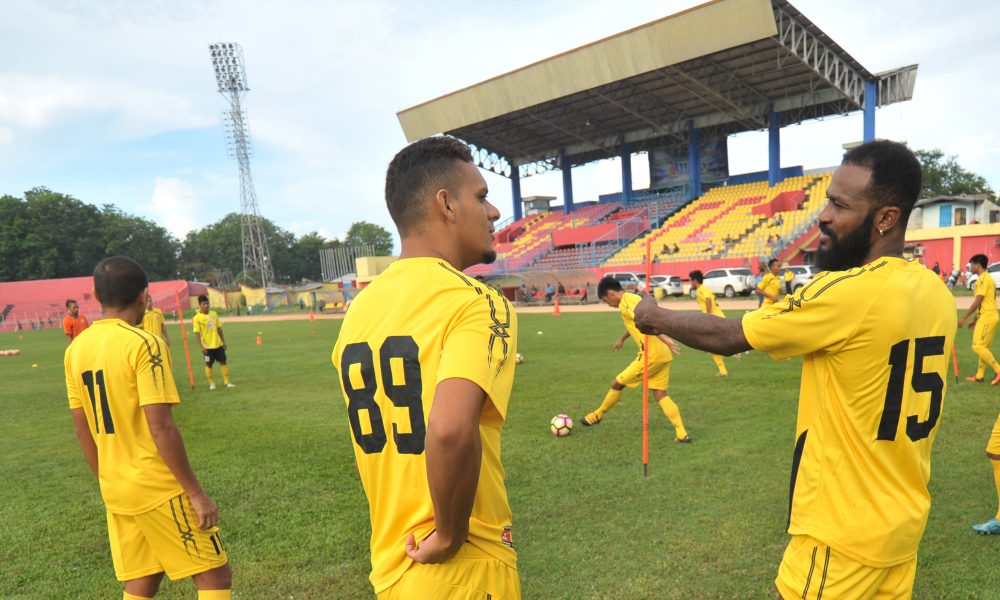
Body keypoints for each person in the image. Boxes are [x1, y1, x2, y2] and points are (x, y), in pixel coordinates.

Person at [632, 140, 955, 598]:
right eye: (826, 199)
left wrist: (655, 317)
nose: (823, 215)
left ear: (886, 218)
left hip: (842, 532)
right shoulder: (934, 291)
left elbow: (730, 337)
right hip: (901, 527)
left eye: (840, 205)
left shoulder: (848, 292)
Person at [332, 136, 520, 599]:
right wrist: (451, 533)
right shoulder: (477, 302)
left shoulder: (359, 309)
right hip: (463, 565)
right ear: (446, 204)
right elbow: (450, 430)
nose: (494, 212)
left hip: (394, 566)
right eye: (481, 197)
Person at [64, 256, 231, 600]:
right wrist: (196, 493)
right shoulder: (143, 344)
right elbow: (162, 427)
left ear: (96, 296)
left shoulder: (76, 350)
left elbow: (82, 429)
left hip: (116, 488)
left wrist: (108, 480)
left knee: (144, 578)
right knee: (215, 575)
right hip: (155, 486)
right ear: (143, 295)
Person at [579, 276, 690, 443]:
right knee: (660, 394)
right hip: (662, 354)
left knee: (617, 383)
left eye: (605, 301)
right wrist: (622, 339)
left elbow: (648, 321)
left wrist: (665, 338)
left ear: (610, 294)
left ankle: (597, 415)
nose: (608, 305)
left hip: (651, 355)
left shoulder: (626, 302)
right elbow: (637, 322)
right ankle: (682, 433)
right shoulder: (631, 299)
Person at [959, 254, 1000, 384]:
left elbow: (979, 300)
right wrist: (975, 319)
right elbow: (985, 301)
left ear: (977, 265)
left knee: (977, 346)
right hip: (987, 316)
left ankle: (998, 370)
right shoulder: (988, 279)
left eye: (971, 264)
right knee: (983, 347)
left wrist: (965, 317)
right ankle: (979, 375)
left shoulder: (983, 279)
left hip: (988, 316)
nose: (970, 267)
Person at [689, 270, 727, 377]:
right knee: (713, 344)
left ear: (695, 280)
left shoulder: (701, 289)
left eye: (690, 280)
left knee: (712, 345)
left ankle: (734, 354)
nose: (690, 282)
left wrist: (708, 316)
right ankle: (723, 369)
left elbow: (708, 300)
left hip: (714, 319)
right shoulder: (700, 289)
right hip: (717, 317)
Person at [192, 296, 233, 390]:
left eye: (207, 303)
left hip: (218, 344)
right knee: (209, 364)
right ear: (199, 305)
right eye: (204, 304)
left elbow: (219, 329)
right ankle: (212, 384)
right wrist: (201, 346)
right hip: (207, 346)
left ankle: (227, 382)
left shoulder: (214, 314)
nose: (206, 305)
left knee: (223, 362)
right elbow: (196, 333)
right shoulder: (197, 318)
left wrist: (223, 342)